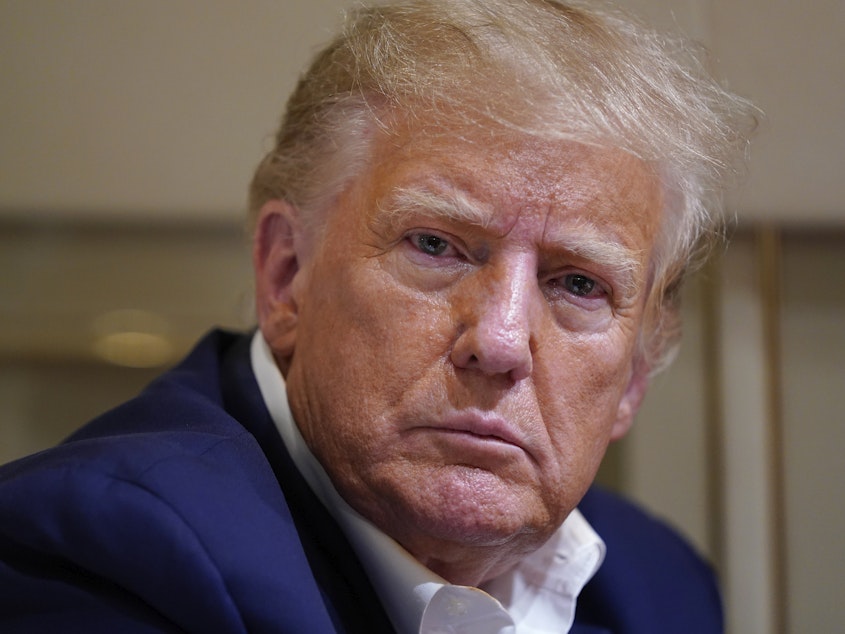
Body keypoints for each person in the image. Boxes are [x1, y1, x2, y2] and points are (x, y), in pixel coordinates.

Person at [0, 0, 755, 632]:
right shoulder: (107, 561)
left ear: (634, 377)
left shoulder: (663, 586)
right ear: (286, 274)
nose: (497, 343)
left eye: (579, 285)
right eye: (435, 245)